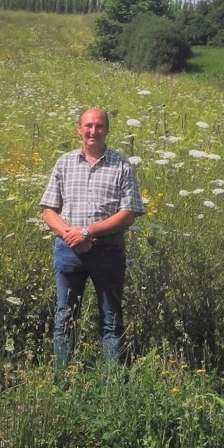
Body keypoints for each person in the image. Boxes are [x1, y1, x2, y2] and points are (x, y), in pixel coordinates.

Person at [40, 108, 144, 367]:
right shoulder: (64, 163)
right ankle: (60, 383)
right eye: (88, 126)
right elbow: (48, 210)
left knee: (111, 320)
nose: (93, 131)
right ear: (79, 129)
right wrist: (71, 235)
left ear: (107, 130)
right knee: (65, 318)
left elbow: (128, 214)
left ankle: (112, 388)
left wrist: (86, 232)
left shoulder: (122, 165)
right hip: (68, 251)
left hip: (107, 252)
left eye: (99, 126)